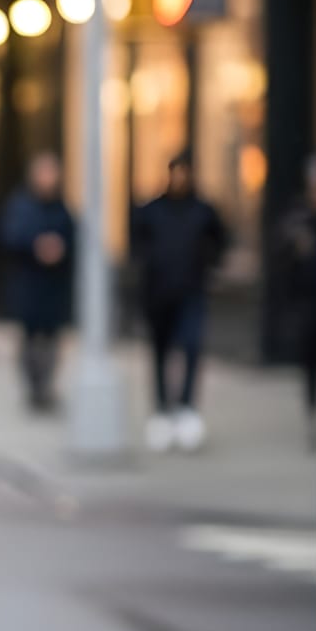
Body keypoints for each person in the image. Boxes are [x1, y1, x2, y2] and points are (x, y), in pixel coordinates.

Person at [131, 152, 228, 450]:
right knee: (160, 352)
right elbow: (137, 244)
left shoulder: (202, 210)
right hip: (159, 293)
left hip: (191, 291)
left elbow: (220, 242)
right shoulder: (152, 210)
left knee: (191, 347)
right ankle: (162, 409)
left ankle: (186, 408)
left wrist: (208, 262)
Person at [0, 152, 74, 412]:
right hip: (28, 283)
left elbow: (73, 237)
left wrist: (60, 249)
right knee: (30, 339)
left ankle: (46, 386)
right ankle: (34, 387)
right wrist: (36, 245)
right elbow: (10, 237)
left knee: (52, 339)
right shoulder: (21, 205)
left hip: (54, 285)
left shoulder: (61, 207)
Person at [271, 157, 316, 434]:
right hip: (308, 302)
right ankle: (312, 411)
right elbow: (281, 259)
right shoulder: (297, 219)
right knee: (310, 362)